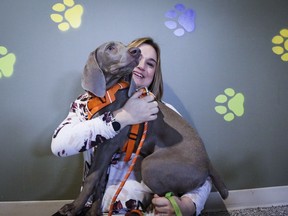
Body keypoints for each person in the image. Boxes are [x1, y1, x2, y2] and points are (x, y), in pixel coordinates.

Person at [51, 37, 212, 216]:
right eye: (137, 55)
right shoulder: (85, 105)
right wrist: (123, 117)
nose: (141, 65)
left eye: (150, 64)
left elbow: (198, 170)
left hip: (142, 212)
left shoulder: (162, 112)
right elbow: (59, 146)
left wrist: (187, 206)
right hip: (92, 208)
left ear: (154, 74)